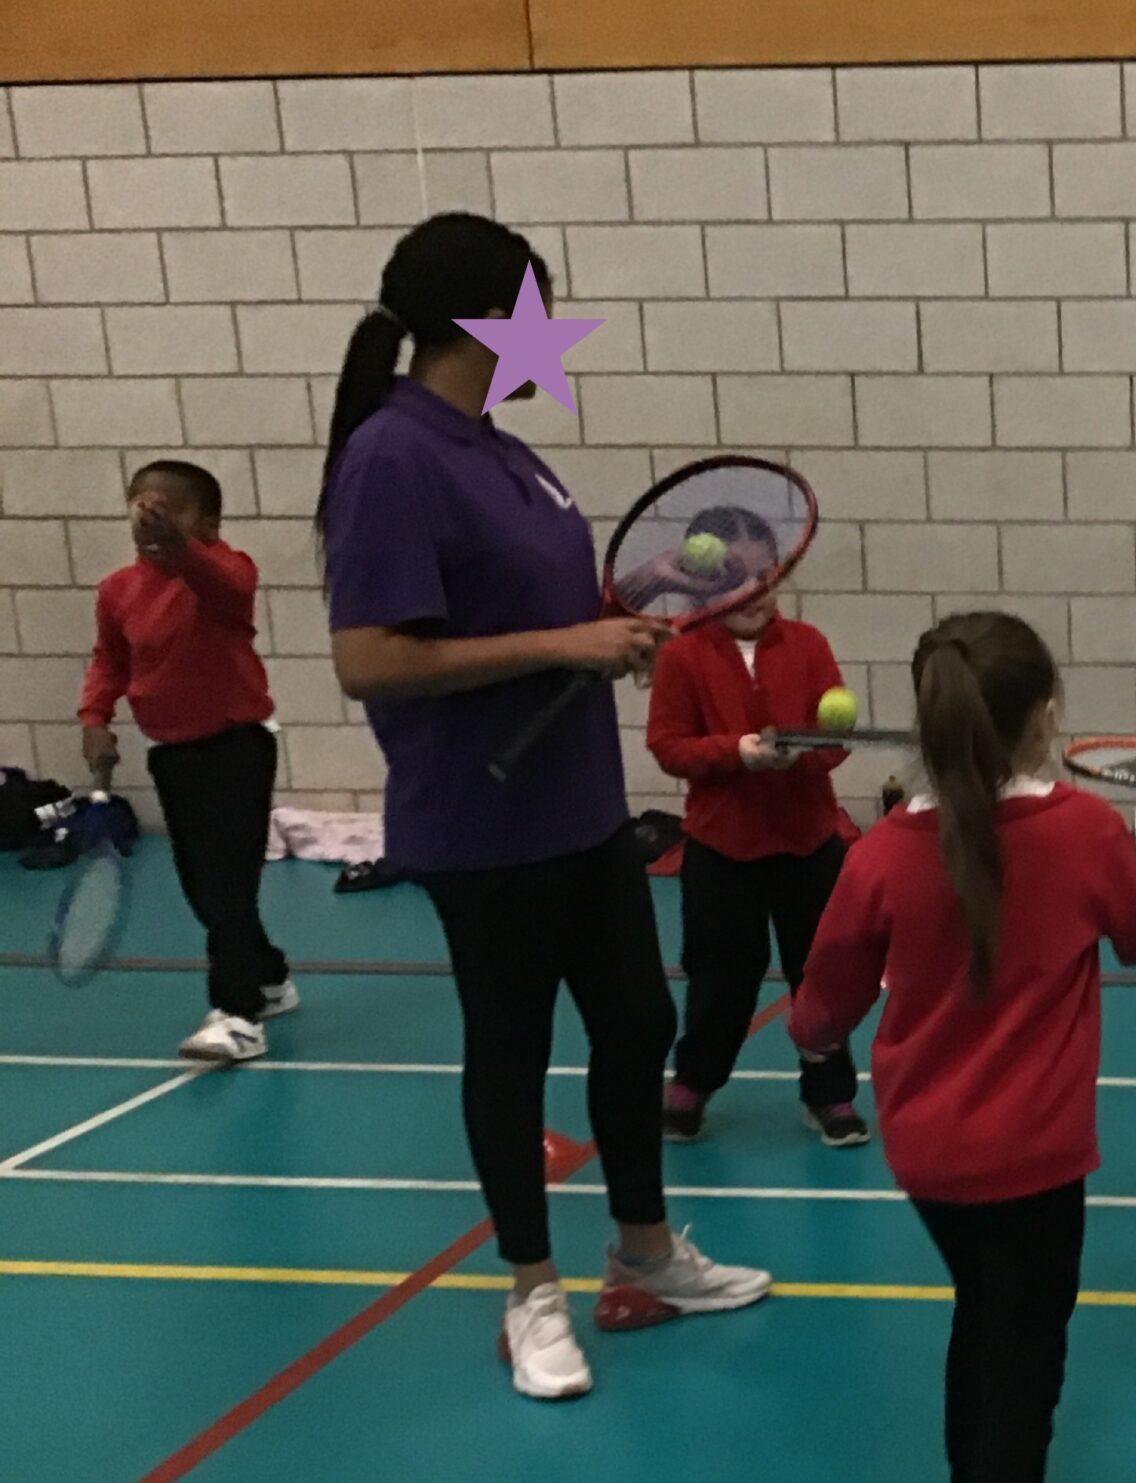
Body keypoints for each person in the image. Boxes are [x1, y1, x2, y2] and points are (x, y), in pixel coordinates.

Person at [318, 210, 769, 1403]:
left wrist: (631, 608)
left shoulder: (507, 454)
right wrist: (566, 643)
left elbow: (542, 616)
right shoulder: (393, 455)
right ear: (489, 318)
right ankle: (531, 1292)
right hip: (482, 819)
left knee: (636, 1025)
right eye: (539, 308)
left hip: (578, 807)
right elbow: (368, 658)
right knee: (511, 1051)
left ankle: (645, 1252)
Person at [790, 613, 1136, 1483]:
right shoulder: (1082, 833)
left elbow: (819, 1011)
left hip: (927, 1157)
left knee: (983, 1309)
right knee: (1025, 1373)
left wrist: (815, 1021)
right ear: (1043, 715)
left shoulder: (880, 854)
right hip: (1033, 1157)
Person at [645, 511, 866, 1149]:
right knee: (719, 980)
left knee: (820, 977)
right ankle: (694, 1082)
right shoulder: (682, 655)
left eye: (764, 574)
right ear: (702, 583)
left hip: (808, 846)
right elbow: (668, 745)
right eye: (733, 576)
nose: (753, 590)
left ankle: (828, 1093)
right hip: (722, 851)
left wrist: (806, 755)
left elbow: (834, 742)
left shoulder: (809, 645)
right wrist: (737, 752)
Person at [79, 460, 293, 1063]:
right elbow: (110, 661)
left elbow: (223, 588)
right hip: (172, 756)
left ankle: (238, 1015)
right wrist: (94, 719)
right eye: (141, 506)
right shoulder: (117, 590)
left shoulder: (228, 571)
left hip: (237, 749)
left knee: (228, 885)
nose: (150, 519)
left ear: (209, 522)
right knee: (203, 889)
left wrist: (180, 548)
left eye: (169, 509)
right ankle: (270, 975)